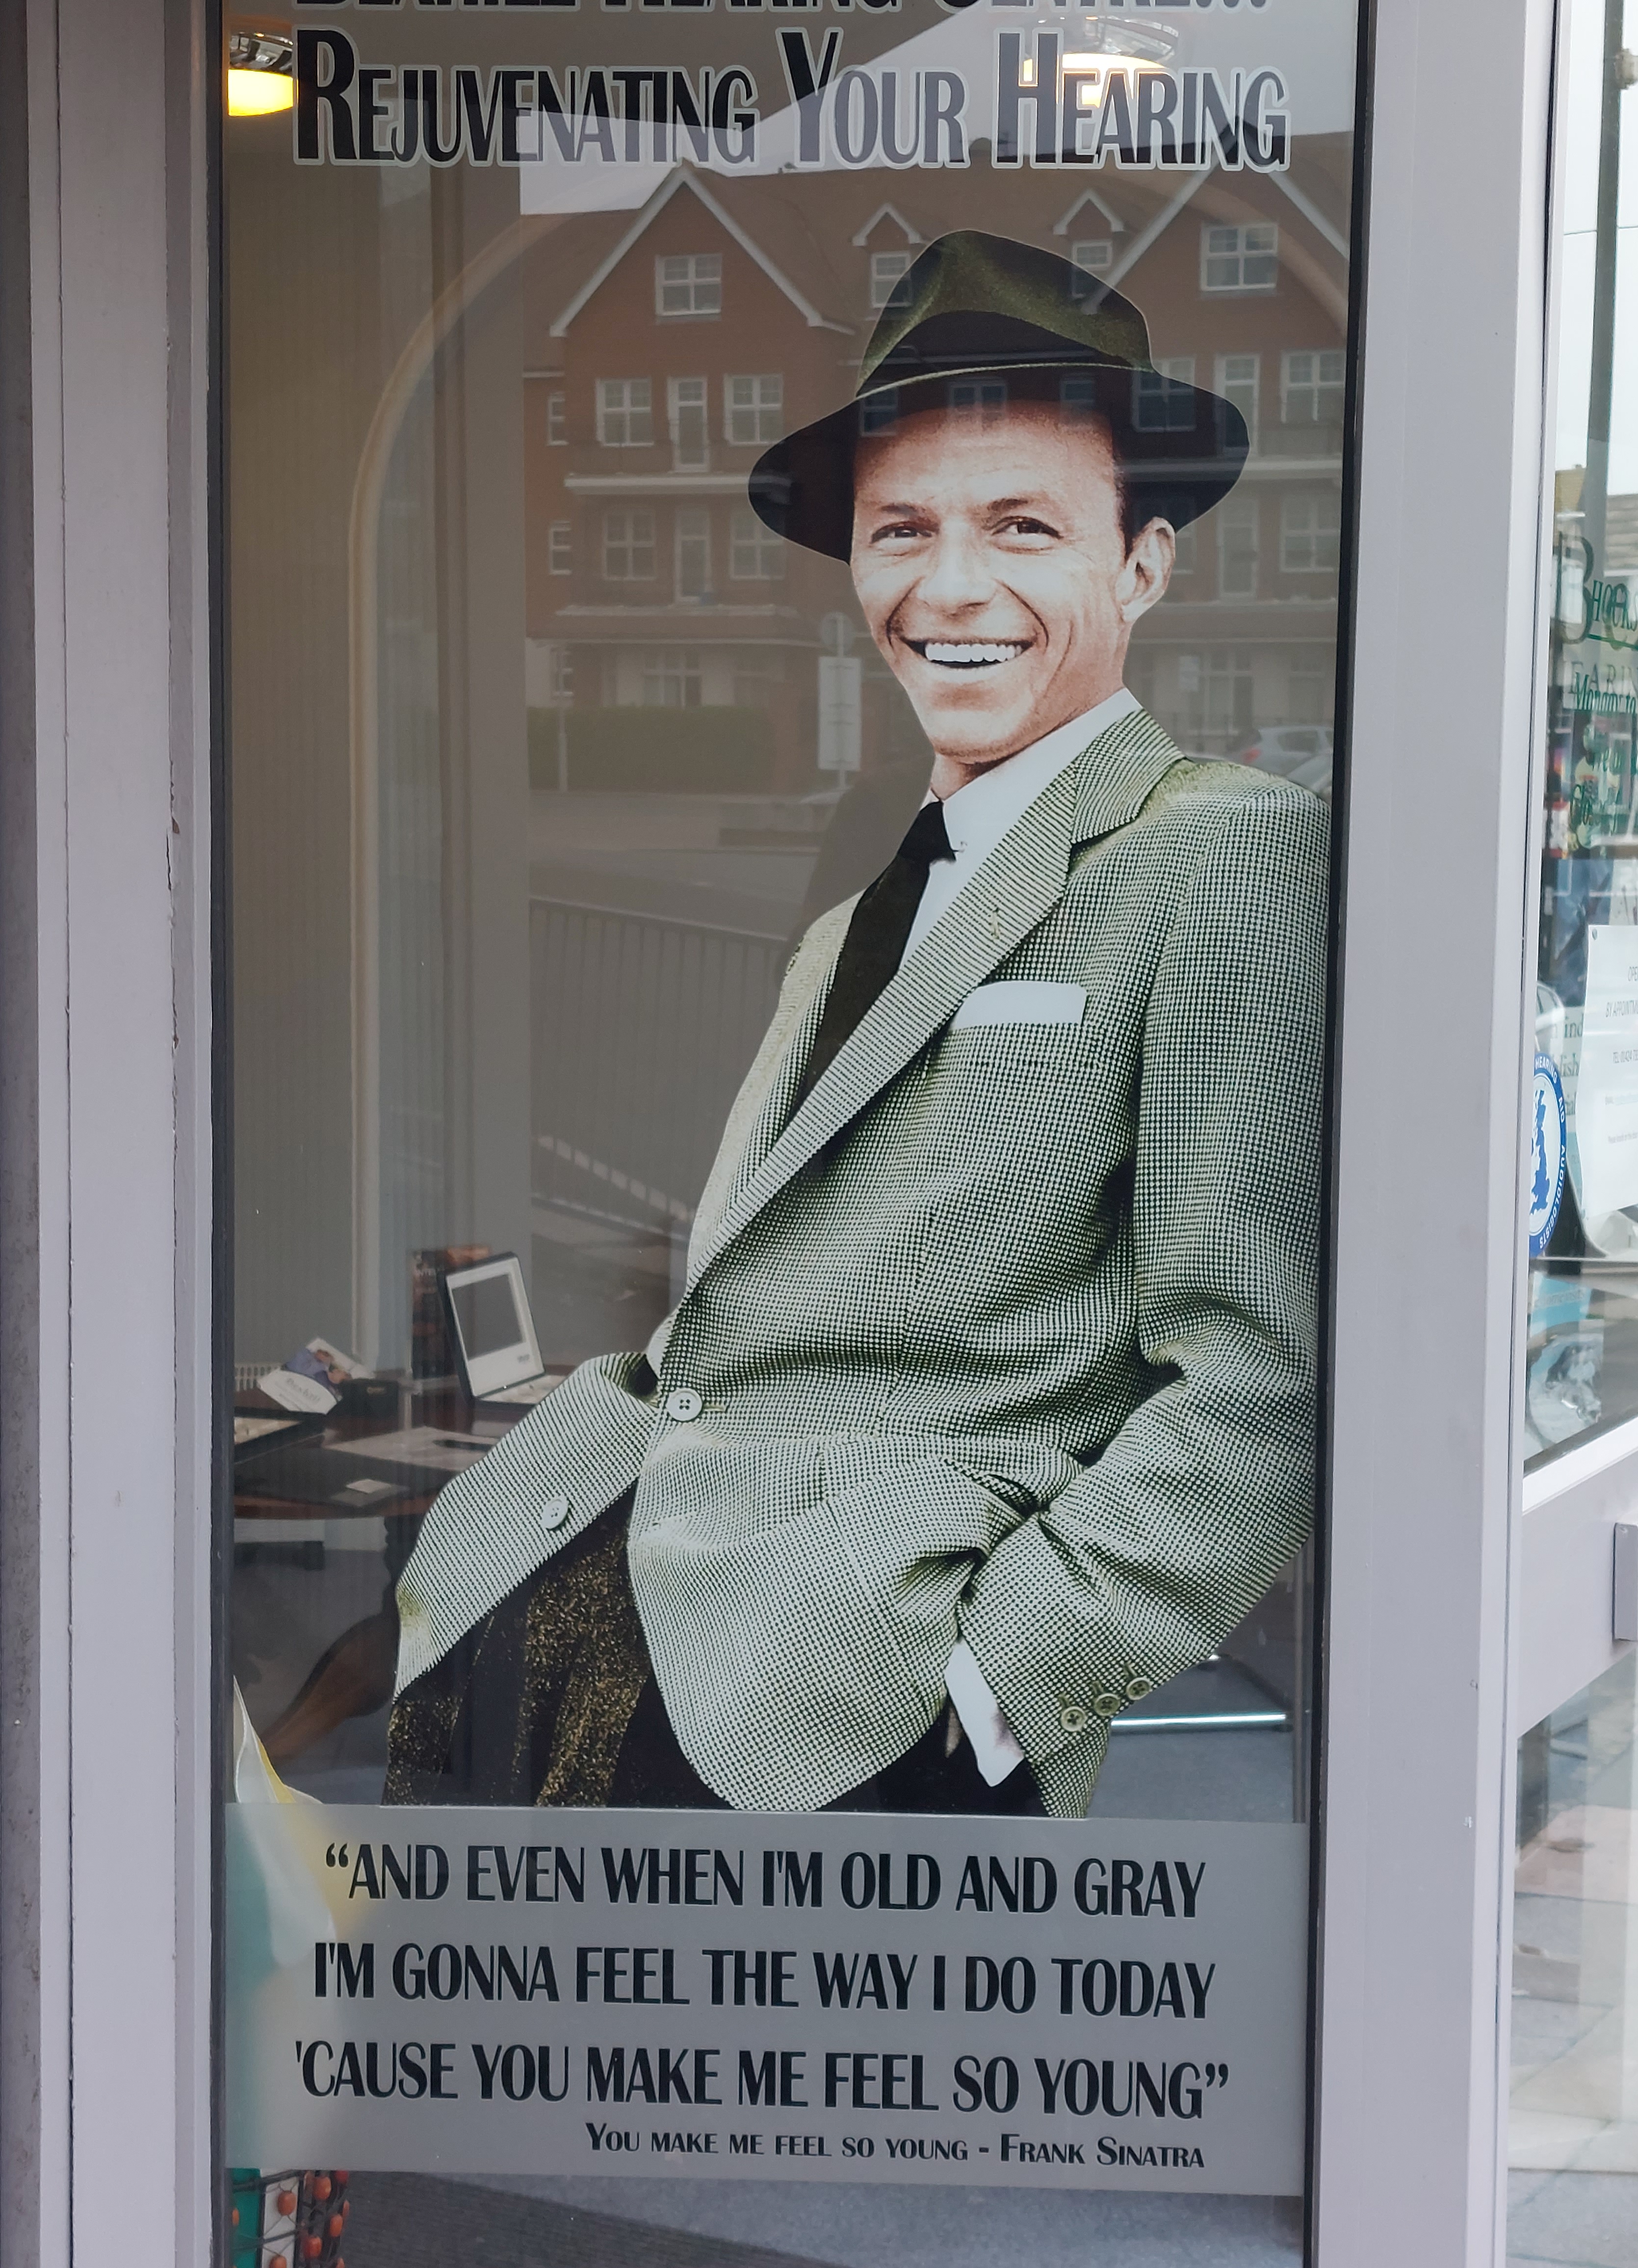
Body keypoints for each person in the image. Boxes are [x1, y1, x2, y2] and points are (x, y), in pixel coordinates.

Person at [384, 231, 1328, 1818]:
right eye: (903, 530)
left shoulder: (1221, 850)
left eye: (1022, 526)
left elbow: (1261, 1376)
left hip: (857, 1705)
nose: (948, 587)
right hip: (582, 1600)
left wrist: (999, 1684)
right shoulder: (856, 919)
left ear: (1143, 566)